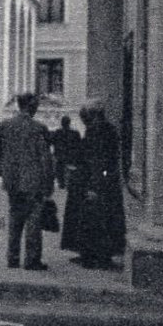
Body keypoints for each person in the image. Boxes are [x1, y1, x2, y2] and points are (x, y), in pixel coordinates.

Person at [0, 92, 55, 270]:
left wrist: (8, 163)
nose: (37, 108)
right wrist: (49, 181)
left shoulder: (5, 125)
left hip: (12, 179)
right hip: (33, 179)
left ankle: (12, 257)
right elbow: (46, 158)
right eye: (35, 105)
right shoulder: (39, 128)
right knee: (33, 220)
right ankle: (31, 259)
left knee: (15, 217)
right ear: (30, 106)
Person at [61, 103, 126, 269]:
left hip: (96, 182)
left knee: (93, 220)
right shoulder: (108, 130)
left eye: (85, 117)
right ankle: (99, 255)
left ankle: (92, 257)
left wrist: (94, 185)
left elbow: (99, 161)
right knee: (104, 220)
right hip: (105, 182)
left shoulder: (97, 132)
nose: (84, 121)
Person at [49, 116, 82, 191]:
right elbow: (79, 146)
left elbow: (51, 142)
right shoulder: (75, 133)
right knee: (70, 177)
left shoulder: (57, 132)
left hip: (60, 158)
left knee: (60, 176)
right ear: (69, 123)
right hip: (71, 158)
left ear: (61, 123)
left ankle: (61, 185)